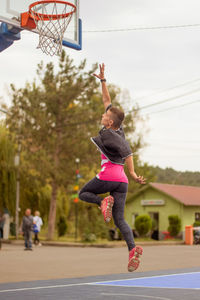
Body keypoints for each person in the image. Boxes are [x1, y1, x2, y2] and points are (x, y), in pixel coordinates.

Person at [79, 64, 146, 272]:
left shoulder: (109, 135)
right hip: (122, 183)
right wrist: (102, 80)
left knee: (84, 193)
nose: (102, 115)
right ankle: (132, 249)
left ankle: (102, 201)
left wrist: (133, 171)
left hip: (109, 175)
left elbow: (127, 152)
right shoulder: (119, 127)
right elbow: (107, 101)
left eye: (104, 116)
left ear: (109, 122)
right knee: (119, 220)